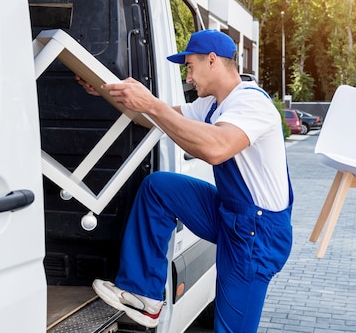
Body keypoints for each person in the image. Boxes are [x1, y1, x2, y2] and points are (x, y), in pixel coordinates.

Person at [79, 30, 293, 332]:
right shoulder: (212, 104)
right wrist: (104, 90)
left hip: (258, 233)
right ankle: (145, 298)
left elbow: (215, 148)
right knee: (159, 188)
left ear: (213, 60)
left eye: (190, 67)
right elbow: (152, 117)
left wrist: (153, 104)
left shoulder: (250, 103)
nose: (188, 77)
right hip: (230, 213)